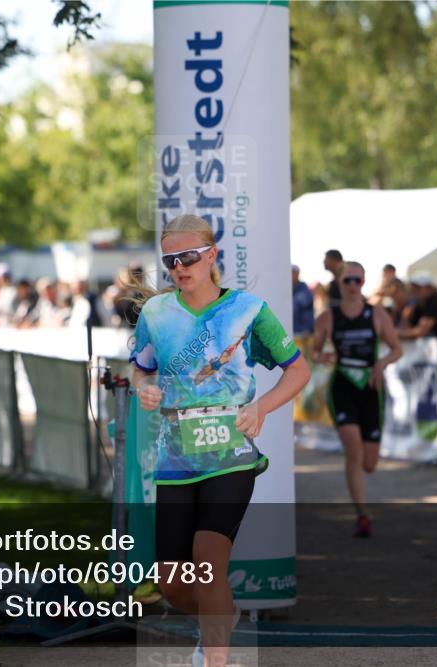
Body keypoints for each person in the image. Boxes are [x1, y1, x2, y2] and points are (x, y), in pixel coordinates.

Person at [130, 214, 310, 667]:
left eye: (189, 257)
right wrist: (143, 388)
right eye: (170, 260)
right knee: (172, 584)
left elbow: (298, 370)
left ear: (211, 255)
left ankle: (216, 658)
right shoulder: (156, 314)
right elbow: (141, 368)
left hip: (231, 455)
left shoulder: (248, 309)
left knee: (208, 562)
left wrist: (261, 407)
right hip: (175, 459)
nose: (179, 267)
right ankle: (222, 616)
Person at [312, 262, 402, 538]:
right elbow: (314, 351)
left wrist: (381, 364)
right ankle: (362, 515)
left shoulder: (376, 314)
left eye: (357, 280)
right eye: (347, 280)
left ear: (364, 283)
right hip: (343, 386)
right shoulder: (328, 317)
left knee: (369, 463)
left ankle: (362, 505)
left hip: (370, 387)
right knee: (354, 450)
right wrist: (324, 357)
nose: (352, 286)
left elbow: (397, 349)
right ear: (339, 284)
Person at [291, 265, 315, 336]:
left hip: (303, 332)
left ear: (297, 273)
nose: (291, 275)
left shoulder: (304, 290)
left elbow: (307, 310)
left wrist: (307, 328)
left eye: (293, 272)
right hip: (292, 330)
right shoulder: (287, 289)